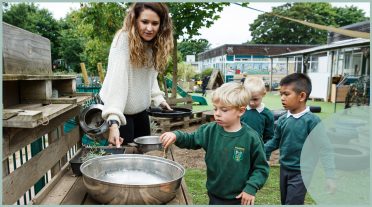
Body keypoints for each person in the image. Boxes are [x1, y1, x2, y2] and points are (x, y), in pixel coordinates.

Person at [160, 82, 269, 205]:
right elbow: (191, 139)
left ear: (241, 111)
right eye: (215, 108)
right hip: (215, 194)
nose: (217, 113)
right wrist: (176, 135)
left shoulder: (251, 138)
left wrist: (251, 188)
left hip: (240, 197)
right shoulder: (209, 130)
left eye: (224, 110)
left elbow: (261, 168)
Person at [99, 3, 173, 147]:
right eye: (144, 22)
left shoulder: (154, 43)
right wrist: (113, 122)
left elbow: (150, 77)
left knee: (144, 156)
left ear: (161, 25)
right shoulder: (123, 40)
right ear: (135, 20)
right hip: (119, 111)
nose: (149, 28)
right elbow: (117, 81)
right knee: (123, 161)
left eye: (155, 23)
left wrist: (158, 98)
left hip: (140, 111)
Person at [264, 73, 335, 205]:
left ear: (301, 96)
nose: (282, 98)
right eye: (281, 94)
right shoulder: (282, 120)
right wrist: (258, 151)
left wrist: (330, 176)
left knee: (292, 203)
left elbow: (325, 149)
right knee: (285, 202)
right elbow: (275, 142)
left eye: (286, 94)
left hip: (302, 172)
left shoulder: (312, 121)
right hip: (284, 168)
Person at [241, 77, 274, 143]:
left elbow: (269, 136)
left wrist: (265, 151)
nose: (251, 103)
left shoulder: (267, 114)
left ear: (263, 94)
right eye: (248, 98)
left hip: (258, 148)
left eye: (255, 99)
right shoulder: (240, 110)